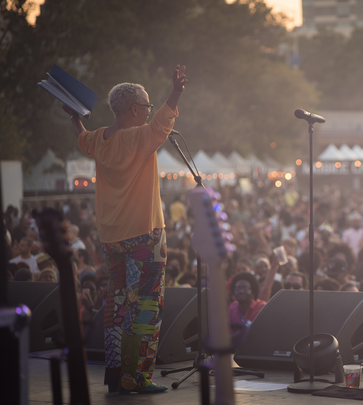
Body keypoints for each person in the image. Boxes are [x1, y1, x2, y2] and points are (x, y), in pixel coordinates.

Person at [67, 65, 187, 394]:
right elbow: (163, 121)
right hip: (145, 234)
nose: (149, 111)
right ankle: (138, 377)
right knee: (147, 304)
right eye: (146, 106)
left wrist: (73, 115)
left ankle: (117, 377)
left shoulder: (100, 139)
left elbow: (82, 138)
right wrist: (176, 90)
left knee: (118, 303)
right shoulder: (139, 136)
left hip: (112, 235)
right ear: (135, 110)